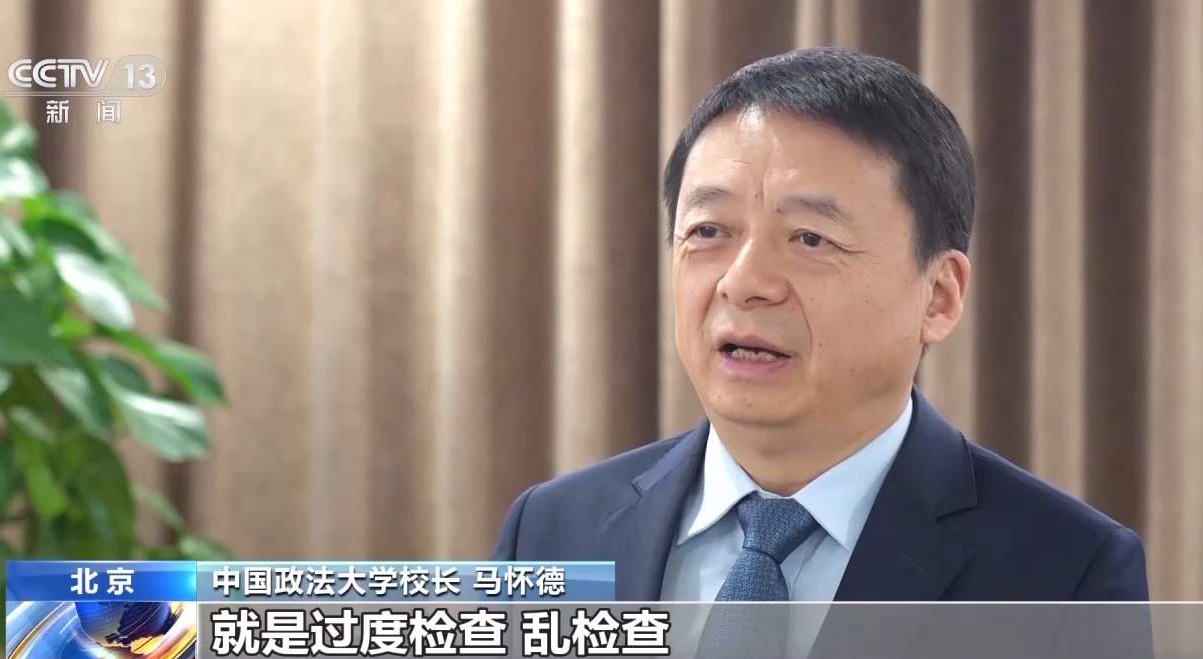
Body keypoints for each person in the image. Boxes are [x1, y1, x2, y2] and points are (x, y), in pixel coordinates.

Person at [491, 48, 1149, 611]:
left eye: (810, 238)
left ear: (939, 296)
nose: (744, 281)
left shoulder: (1066, 575)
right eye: (709, 231)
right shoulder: (551, 534)